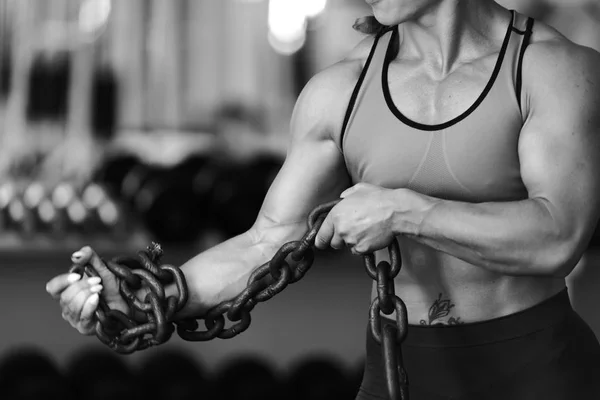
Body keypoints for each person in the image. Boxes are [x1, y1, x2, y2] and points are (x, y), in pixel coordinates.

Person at [46, 0, 600, 398]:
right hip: (400, 368)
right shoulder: (339, 91)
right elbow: (265, 243)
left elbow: (559, 236)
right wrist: (150, 295)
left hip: (536, 368)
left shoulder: (552, 70)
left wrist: (407, 211)